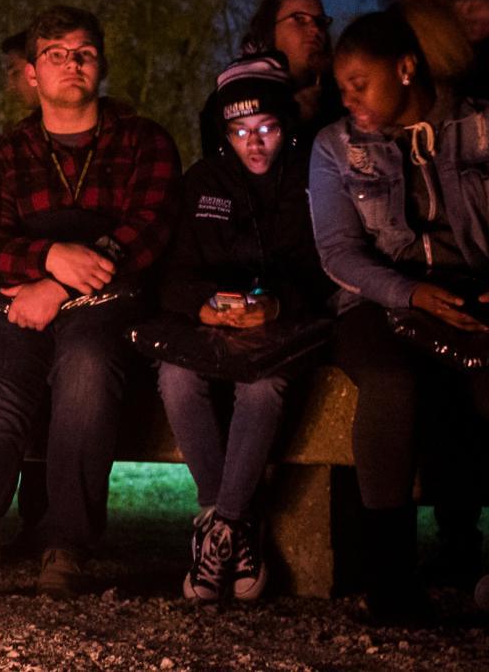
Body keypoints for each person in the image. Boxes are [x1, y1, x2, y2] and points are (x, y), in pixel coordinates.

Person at [308, 10, 489, 624]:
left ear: (405, 68)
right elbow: (338, 253)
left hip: (472, 296)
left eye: (360, 81)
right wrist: (409, 293)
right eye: (342, 85)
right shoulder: (335, 147)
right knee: (391, 387)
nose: (348, 97)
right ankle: (390, 585)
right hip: (377, 303)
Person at [0, 6, 179, 600]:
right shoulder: (3, 155)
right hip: (15, 302)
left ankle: (65, 547)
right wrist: (47, 260)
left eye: (84, 52)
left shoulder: (143, 141)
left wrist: (60, 282)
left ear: (102, 63)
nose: (71, 63)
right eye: (55, 54)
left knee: (86, 372)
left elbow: (149, 228)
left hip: (108, 297)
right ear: (34, 72)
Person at [156, 54, 333, 602]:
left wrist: (277, 307)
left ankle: (221, 526)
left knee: (264, 384)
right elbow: (172, 276)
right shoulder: (202, 181)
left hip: (286, 332)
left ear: (286, 126)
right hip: (211, 329)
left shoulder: (313, 178)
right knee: (175, 377)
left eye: (266, 128)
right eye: (238, 131)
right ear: (221, 132)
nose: (253, 144)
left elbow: (331, 269)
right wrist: (204, 306)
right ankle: (237, 523)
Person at [240, 0, 343, 133]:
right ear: (270, 29)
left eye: (320, 22)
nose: (315, 29)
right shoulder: (237, 93)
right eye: (299, 19)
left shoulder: (343, 96)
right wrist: (288, 119)